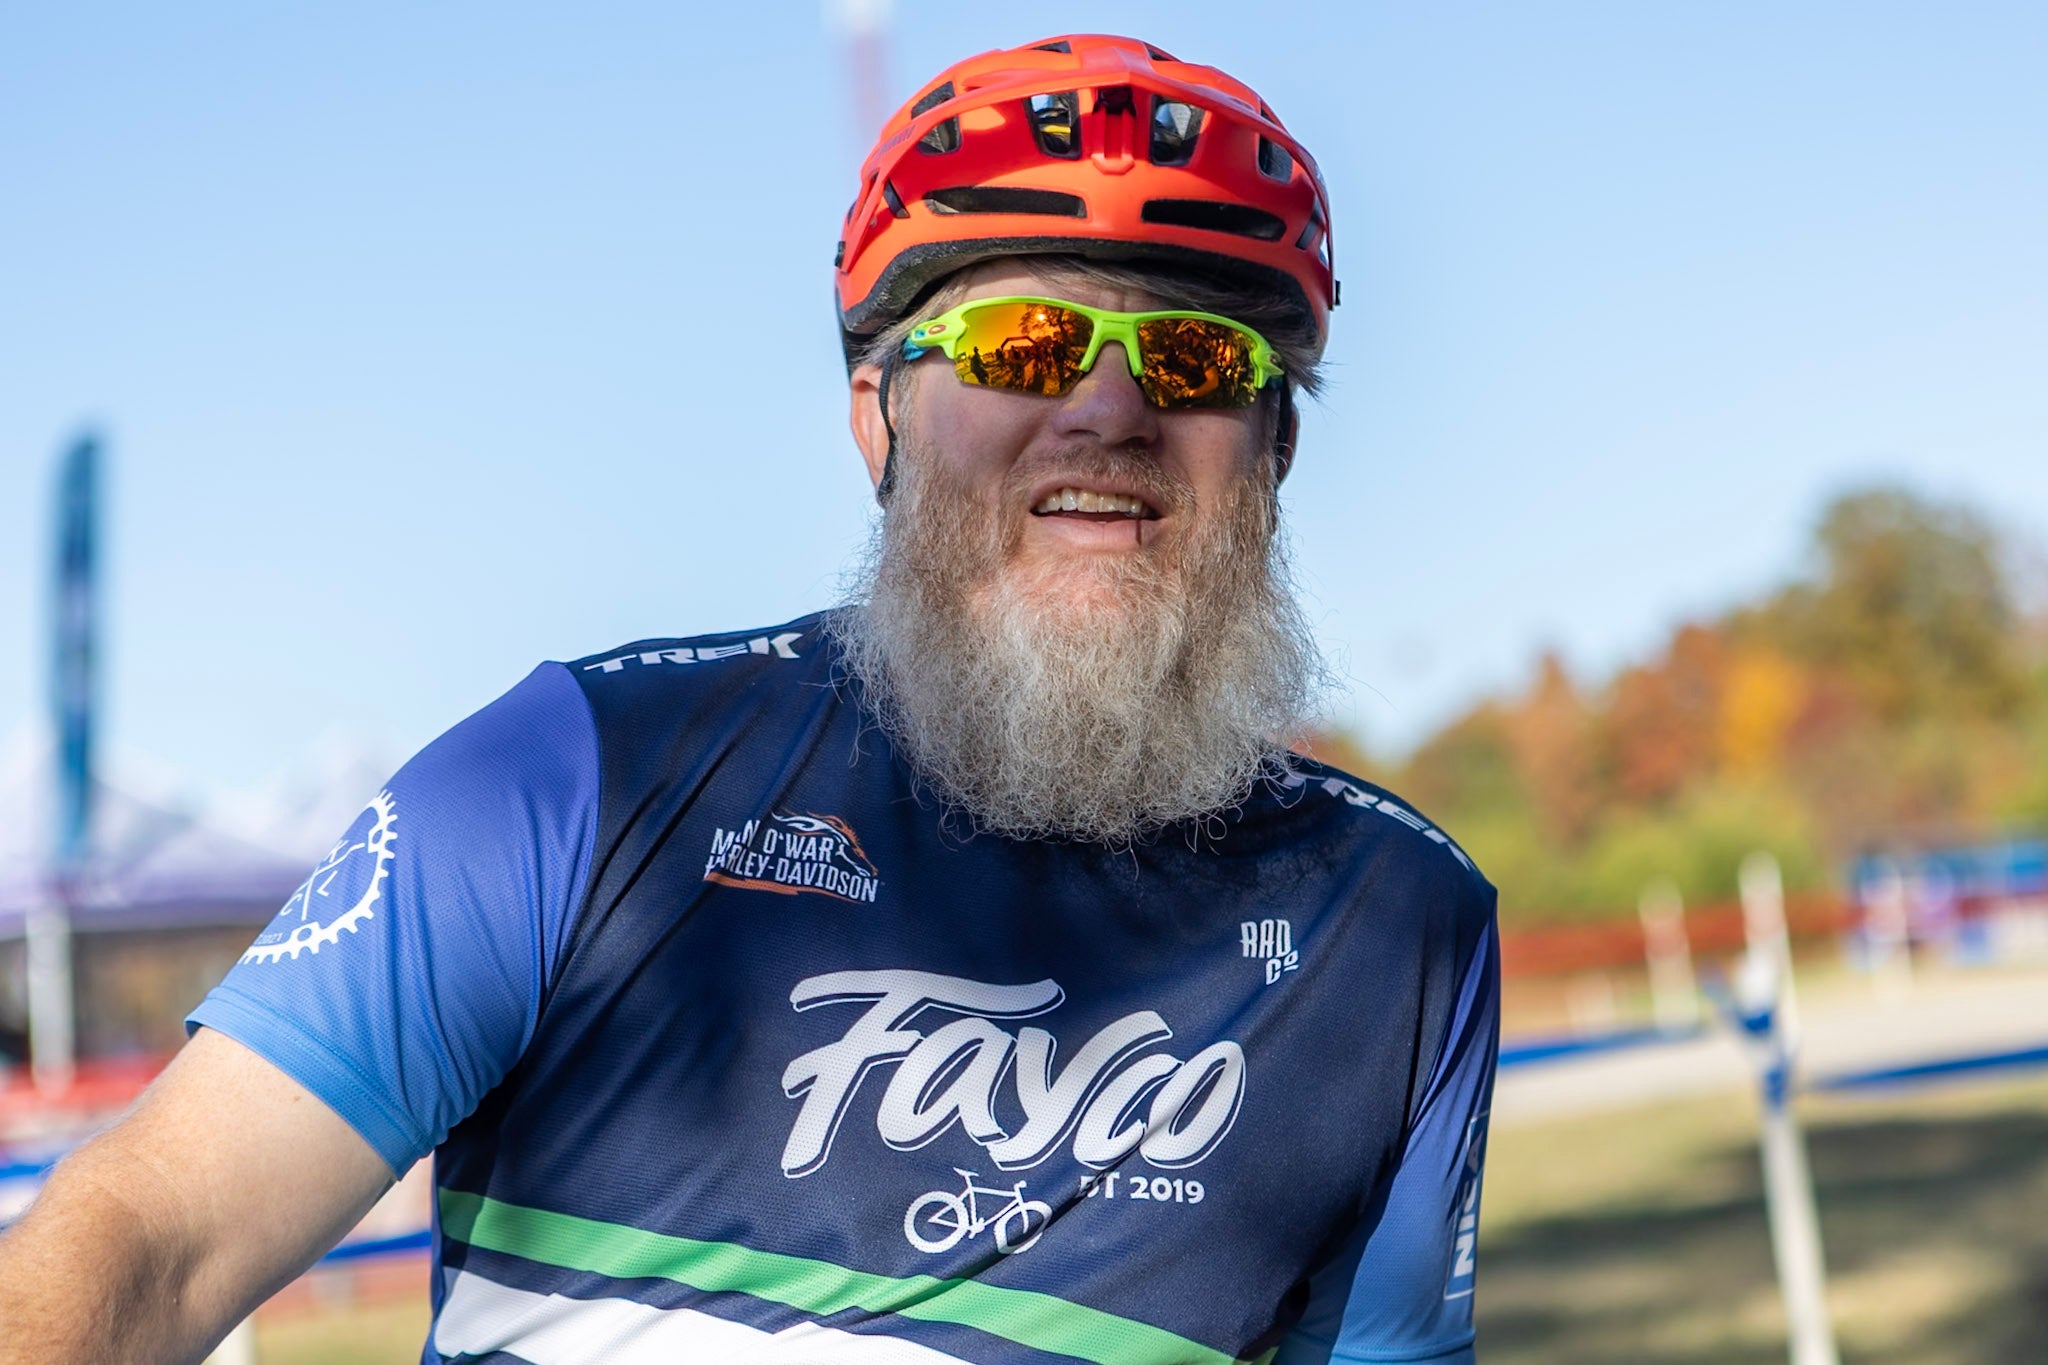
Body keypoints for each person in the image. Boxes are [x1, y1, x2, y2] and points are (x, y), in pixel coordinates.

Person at [0, 34, 1498, 1364]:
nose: (1106, 409)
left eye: (1190, 354)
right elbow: (151, 1238)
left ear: (1272, 446)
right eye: (1021, 344)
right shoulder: (578, 775)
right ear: (882, 418)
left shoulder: (1402, 927)